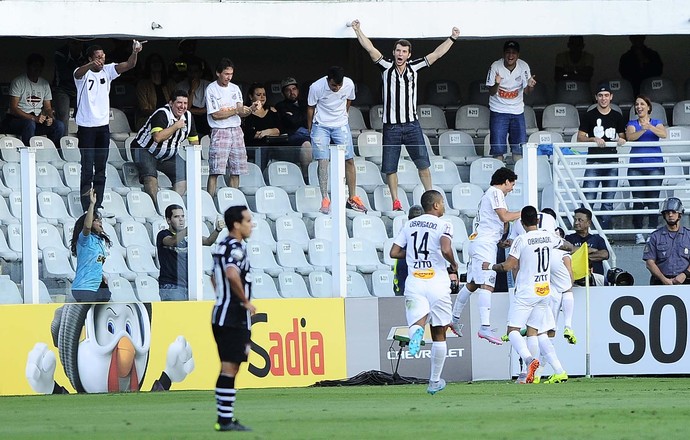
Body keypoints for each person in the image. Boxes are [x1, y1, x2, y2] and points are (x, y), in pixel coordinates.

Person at [351, 19, 460, 211]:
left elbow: (436, 54)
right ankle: (396, 201)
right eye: (398, 50)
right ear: (393, 53)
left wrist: (452, 38)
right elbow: (370, 49)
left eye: (404, 51)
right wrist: (358, 30)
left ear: (409, 54)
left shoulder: (415, 67)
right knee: (390, 167)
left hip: (411, 124)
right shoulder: (385, 66)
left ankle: (430, 198)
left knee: (423, 163)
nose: (400, 54)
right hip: (391, 126)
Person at [483, 205, 572, 384]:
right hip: (544, 290)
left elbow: (509, 266)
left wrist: (490, 266)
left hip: (526, 291)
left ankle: (530, 360)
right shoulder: (549, 237)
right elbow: (568, 245)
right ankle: (536, 375)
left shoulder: (521, 240)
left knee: (513, 330)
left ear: (522, 223)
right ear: (537, 221)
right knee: (534, 332)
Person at [389, 190, 460, 395]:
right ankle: (434, 381)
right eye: (443, 203)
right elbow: (446, 249)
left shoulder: (409, 225)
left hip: (415, 282)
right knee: (439, 332)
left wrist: (411, 254)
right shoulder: (444, 224)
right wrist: (454, 264)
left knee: (416, 322)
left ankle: (416, 333)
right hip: (437, 283)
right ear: (436, 206)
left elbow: (394, 252)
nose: (444, 206)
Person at [450, 167, 521, 344]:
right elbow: (504, 217)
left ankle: (454, 318)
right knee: (487, 284)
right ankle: (484, 327)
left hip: (478, 242)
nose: (511, 189)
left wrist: (499, 241)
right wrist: (526, 212)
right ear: (505, 181)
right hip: (484, 245)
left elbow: (493, 222)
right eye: (511, 184)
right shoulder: (496, 192)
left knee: (473, 283)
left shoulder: (486, 196)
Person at [74, 40, 144, 212]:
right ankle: (86, 204)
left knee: (101, 166)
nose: (101, 60)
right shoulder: (82, 73)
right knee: (87, 166)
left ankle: (97, 204)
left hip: (103, 126)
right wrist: (91, 64)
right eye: (97, 57)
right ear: (90, 58)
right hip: (86, 126)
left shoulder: (108, 70)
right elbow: (78, 74)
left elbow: (128, 65)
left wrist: (135, 52)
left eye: (103, 56)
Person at [211, 205, 256, 432]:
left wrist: (222, 297)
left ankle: (225, 418)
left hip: (222, 313)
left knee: (230, 367)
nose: (251, 224)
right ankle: (225, 420)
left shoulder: (222, 246)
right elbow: (230, 273)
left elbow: (214, 276)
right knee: (230, 368)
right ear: (236, 224)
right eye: (247, 220)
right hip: (233, 317)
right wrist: (244, 301)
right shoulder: (236, 248)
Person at [307, 66, 367, 214]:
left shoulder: (349, 84)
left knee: (349, 159)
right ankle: (325, 198)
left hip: (340, 124)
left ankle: (352, 197)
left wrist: (343, 116)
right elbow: (310, 107)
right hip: (320, 125)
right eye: (334, 85)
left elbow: (349, 100)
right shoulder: (316, 87)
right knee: (323, 160)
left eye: (339, 85)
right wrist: (310, 128)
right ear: (328, 80)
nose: (337, 88)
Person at [131, 90, 199, 208]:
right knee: (150, 176)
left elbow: (194, 141)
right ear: (171, 103)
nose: (182, 107)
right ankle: (156, 208)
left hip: (169, 154)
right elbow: (157, 137)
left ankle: (172, 208)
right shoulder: (161, 114)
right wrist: (176, 126)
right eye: (179, 103)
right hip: (145, 150)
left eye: (185, 103)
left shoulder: (188, 116)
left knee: (184, 173)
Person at [576, 83, 627, 230]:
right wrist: (593, 139)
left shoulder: (617, 116)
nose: (603, 98)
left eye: (606, 95)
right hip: (594, 162)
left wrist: (621, 140)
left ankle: (604, 234)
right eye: (600, 95)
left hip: (611, 163)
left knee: (608, 201)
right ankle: (584, 233)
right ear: (596, 97)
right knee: (588, 200)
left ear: (611, 97)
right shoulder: (589, 115)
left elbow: (623, 136)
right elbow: (580, 138)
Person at [205, 58, 257, 196]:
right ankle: (211, 201)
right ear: (218, 73)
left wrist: (251, 108)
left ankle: (233, 200)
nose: (229, 77)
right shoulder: (211, 89)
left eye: (231, 74)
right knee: (215, 170)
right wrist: (235, 111)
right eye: (226, 74)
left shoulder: (235, 88)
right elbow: (216, 115)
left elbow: (241, 111)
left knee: (236, 169)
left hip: (236, 130)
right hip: (219, 130)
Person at [157, 204, 222, 301]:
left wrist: (217, 230)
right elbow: (173, 241)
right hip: (170, 286)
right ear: (168, 220)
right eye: (176, 216)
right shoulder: (163, 234)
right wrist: (187, 230)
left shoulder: (189, 234)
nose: (181, 219)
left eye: (183, 216)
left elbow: (208, 241)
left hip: (189, 285)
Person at [625, 95, 667, 244]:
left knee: (653, 200)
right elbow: (630, 137)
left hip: (655, 166)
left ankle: (652, 232)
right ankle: (638, 233)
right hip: (636, 167)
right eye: (637, 104)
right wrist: (643, 129)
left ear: (648, 107)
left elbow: (664, 134)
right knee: (638, 200)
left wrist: (650, 127)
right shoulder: (632, 123)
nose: (639, 107)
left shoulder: (657, 122)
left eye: (642, 104)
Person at [486, 40, 537, 163]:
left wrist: (530, 85)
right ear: (503, 54)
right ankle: (499, 180)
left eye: (513, 53)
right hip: (498, 110)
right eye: (508, 52)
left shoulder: (523, 66)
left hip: (517, 111)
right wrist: (497, 83)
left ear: (518, 55)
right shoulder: (495, 66)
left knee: (519, 149)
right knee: (498, 150)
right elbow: (491, 91)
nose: (510, 56)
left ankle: (519, 179)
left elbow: (527, 92)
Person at [3, 53, 65, 147]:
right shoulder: (18, 82)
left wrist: (50, 117)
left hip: (37, 120)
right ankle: (29, 154)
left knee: (59, 125)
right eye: (34, 66)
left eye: (39, 66)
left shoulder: (44, 84)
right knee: (29, 123)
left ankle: (52, 153)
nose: (37, 69)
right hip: (18, 121)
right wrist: (33, 118)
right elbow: (13, 108)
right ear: (28, 66)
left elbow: (47, 107)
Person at [69, 189, 112, 303]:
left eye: (100, 220)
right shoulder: (84, 240)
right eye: (96, 220)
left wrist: (101, 275)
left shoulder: (99, 241)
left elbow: (95, 262)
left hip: (97, 287)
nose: (100, 222)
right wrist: (92, 204)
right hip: (84, 288)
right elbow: (87, 227)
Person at [643, 197, 690, 286]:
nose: (670, 215)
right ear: (664, 215)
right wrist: (663, 279)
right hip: (660, 282)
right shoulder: (655, 236)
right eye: (667, 212)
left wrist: (685, 274)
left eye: (673, 212)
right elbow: (649, 263)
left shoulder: (688, 235)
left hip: (686, 281)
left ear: (680, 214)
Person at [274, 77, 313, 176]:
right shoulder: (280, 106)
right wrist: (303, 117)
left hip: (308, 134)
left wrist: (296, 116)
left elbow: (310, 118)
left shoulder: (305, 103)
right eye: (288, 90)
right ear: (283, 93)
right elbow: (291, 122)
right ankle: (306, 176)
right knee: (306, 144)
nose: (292, 92)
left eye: (294, 89)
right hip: (291, 137)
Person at [565, 206, 609, 285]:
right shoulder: (568, 238)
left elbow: (605, 254)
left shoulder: (597, 239)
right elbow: (569, 250)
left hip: (595, 278)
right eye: (575, 219)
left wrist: (580, 257)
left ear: (588, 223)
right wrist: (590, 250)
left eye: (580, 220)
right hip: (575, 280)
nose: (576, 223)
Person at [135, 53, 176, 129]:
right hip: (149, 119)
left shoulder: (170, 83)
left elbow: (176, 103)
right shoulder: (142, 84)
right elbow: (144, 110)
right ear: (148, 65)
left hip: (170, 118)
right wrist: (162, 113)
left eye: (158, 61)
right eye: (153, 62)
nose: (156, 63)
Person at [52, 40, 85, 133]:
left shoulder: (87, 51)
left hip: (80, 88)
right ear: (69, 43)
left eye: (79, 43)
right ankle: (63, 142)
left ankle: (83, 138)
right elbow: (64, 74)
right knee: (63, 115)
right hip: (63, 88)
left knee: (83, 113)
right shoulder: (61, 53)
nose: (77, 46)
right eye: (74, 43)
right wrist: (79, 70)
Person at [393, 204, 424, 295]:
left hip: (407, 264)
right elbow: (394, 253)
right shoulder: (407, 229)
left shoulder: (406, 227)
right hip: (406, 264)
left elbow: (394, 252)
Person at [176, 59, 211, 136]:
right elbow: (184, 108)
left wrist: (188, 110)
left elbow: (208, 110)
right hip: (186, 122)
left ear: (200, 73)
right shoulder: (180, 86)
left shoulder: (209, 86)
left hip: (204, 123)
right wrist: (192, 90)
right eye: (190, 71)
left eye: (195, 71)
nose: (193, 74)